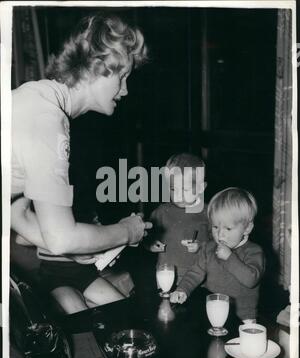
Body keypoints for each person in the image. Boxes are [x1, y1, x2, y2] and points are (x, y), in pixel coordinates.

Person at [10, 13, 152, 313]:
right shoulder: (46, 119)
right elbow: (61, 237)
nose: (125, 90)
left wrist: (78, 248)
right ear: (96, 68)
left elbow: (17, 214)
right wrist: (127, 231)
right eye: (122, 77)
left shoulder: (35, 100)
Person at [170, 187, 265, 322]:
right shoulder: (209, 248)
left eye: (228, 228)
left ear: (247, 228)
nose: (220, 235)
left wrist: (229, 258)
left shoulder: (254, 251)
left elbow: (251, 279)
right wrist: (182, 289)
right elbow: (195, 273)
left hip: (242, 318)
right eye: (215, 227)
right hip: (212, 310)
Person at [145, 153, 209, 285]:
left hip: (199, 278)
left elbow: (219, 244)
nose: (178, 196)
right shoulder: (161, 212)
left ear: (200, 188)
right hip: (166, 276)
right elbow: (146, 237)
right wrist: (149, 244)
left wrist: (201, 246)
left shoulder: (209, 212)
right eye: (173, 189)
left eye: (185, 189)